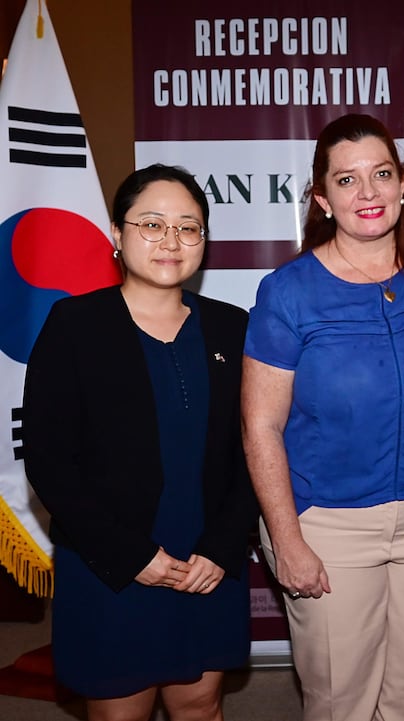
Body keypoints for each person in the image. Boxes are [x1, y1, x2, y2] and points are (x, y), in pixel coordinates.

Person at [241, 113, 404, 721]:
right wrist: (288, 540)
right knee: (341, 701)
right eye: (347, 180)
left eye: (381, 174)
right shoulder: (288, 292)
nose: (369, 193)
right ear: (322, 198)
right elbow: (261, 428)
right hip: (330, 528)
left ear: (403, 184)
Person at [22, 164, 256, 721]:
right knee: (120, 709)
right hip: (113, 565)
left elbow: (258, 447)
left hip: (207, 562)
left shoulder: (233, 327)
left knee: (200, 704)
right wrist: (134, 557)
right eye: (151, 224)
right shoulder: (74, 324)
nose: (170, 241)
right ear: (116, 234)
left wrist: (223, 548)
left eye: (188, 226)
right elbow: (50, 460)